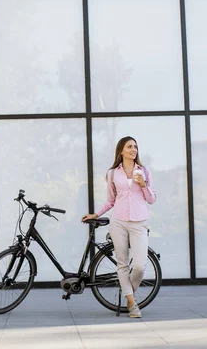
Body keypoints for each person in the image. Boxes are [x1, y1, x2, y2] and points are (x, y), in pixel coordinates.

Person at [82, 136, 156, 318]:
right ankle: (132, 303)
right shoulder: (113, 173)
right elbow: (110, 201)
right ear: (121, 151)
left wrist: (144, 185)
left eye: (135, 147)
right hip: (119, 222)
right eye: (129, 146)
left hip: (139, 222)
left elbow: (151, 199)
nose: (133, 149)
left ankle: (127, 290)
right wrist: (96, 214)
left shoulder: (145, 171)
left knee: (139, 265)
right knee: (122, 264)